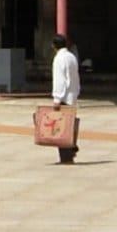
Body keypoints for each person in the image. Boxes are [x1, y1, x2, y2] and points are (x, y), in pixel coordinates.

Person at [50, 33, 80, 164]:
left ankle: (66, 155)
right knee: (69, 126)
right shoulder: (71, 57)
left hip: (64, 97)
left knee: (61, 128)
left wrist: (57, 98)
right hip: (72, 95)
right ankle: (71, 150)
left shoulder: (59, 59)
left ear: (54, 46)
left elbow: (60, 80)